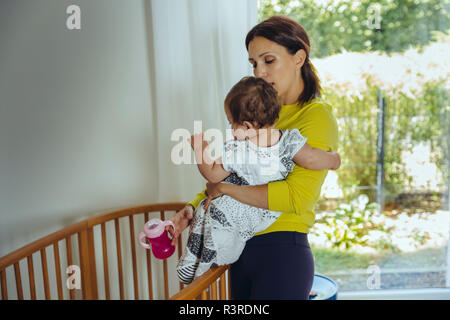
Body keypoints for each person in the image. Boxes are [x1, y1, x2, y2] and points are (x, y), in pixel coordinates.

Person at [169, 15, 339, 299]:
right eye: (253, 64)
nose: (260, 72)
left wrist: (223, 189)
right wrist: (193, 207)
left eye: (268, 60)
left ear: (299, 58)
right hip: (240, 248)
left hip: (281, 251)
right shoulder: (253, 111)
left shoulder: (315, 117)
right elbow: (236, 171)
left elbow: (295, 197)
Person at [176, 76, 340, 284]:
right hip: (268, 212)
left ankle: (197, 260)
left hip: (247, 207)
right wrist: (334, 160)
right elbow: (312, 159)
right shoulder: (289, 140)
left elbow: (213, 175)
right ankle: (213, 252)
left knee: (210, 211)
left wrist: (199, 149)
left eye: (231, 123)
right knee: (218, 209)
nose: (230, 129)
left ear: (246, 126)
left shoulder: (238, 150)